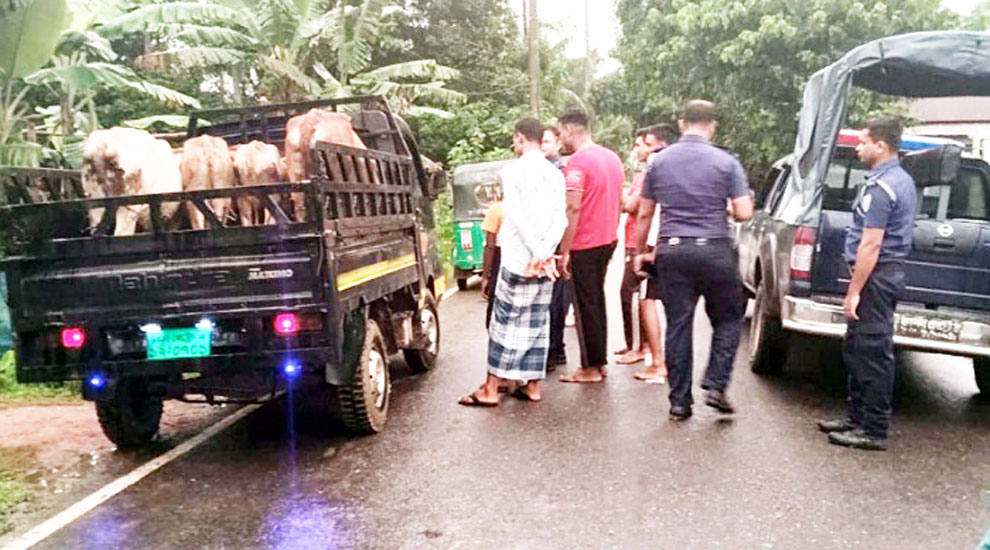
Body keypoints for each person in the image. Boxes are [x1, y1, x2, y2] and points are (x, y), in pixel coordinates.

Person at [634, 100, 753, 420]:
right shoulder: (727, 162)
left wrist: (639, 252)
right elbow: (744, 212)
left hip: (673, 251)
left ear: (681, 123)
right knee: (728, 318)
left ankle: (679, 402)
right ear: (713, 125)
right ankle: (716, 384)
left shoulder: (659, 162)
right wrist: (724, 206)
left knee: (678, 324)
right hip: (715, 250)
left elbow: (644, 212)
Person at [818, 119, 917, 451]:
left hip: (877, 277)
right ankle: (855, 417)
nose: (857, 148)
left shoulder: (884, 187)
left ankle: (872, 429)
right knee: (857, 349)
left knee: (872, 352)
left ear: (882, 146)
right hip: (879, 275)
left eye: (863, 142)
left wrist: (854, 291)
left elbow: (871, 244)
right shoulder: (896, 180)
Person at [458, 118, 567, 406]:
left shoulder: (513, 170)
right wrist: (544, 254)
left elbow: (515, 215)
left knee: (504, 322)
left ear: (520, 138)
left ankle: (491, 389)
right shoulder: (555, 173)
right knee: (538, 323)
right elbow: (561, 219)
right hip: (544, 262)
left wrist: (535, 253)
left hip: (519, 258)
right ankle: (533, 387)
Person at [556, 110, 625, 384]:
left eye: (561, 132)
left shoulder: (577, 163)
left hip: (584, 244)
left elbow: (572, 207)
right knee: (595, 301)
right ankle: (599, 362)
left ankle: (591, 368)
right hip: (607, 239)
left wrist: (565, 249)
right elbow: (619, 200)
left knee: (585, 306)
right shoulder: (612, 157)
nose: (561, 138)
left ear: (569, 129)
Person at [627, 124, 677, 383]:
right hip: (683, 241)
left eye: (648, 143)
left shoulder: (656, 167)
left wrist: (641, 250)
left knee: (648, 299)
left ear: (661, 145)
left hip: (657, 241)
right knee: (677, 304)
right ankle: (677, 361)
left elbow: (645, 212)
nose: (644, 149)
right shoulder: (686, 166)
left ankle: (658, 361)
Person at [542, 125, 570, 369]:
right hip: (551, 241)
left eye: (547, 141)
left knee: (555, 300)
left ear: (558, 144)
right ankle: (556, 349)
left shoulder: (558, 171)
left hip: (555, 242)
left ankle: (553, 349)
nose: (543, 146)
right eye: (540, 141)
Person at [480, 199, 503, 328]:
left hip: (501, 259)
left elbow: (490, 246)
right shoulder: (531, 208)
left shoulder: (496, 209)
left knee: (495, 302)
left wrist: (485, 277)